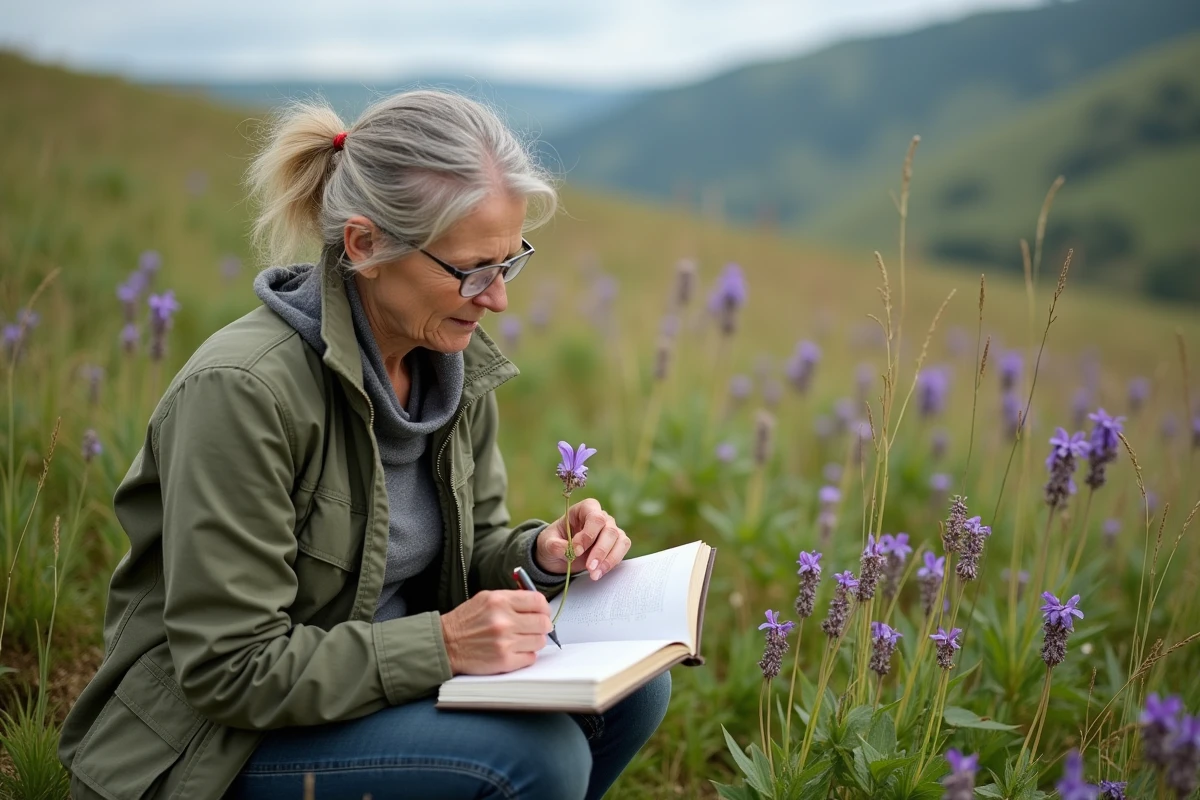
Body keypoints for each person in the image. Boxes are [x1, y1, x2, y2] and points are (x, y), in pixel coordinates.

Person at [59, 90, 670, 800]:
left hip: (376, 693)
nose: (498, 298)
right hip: (217, 747)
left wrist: (539, 555)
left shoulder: (452, 365)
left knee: (632, 696)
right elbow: (230, 670)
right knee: (540, 759)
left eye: (509, 263)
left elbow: (468, 556)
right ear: (365, 245)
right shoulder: (243, 392)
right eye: (474, 269)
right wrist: (441, 646)